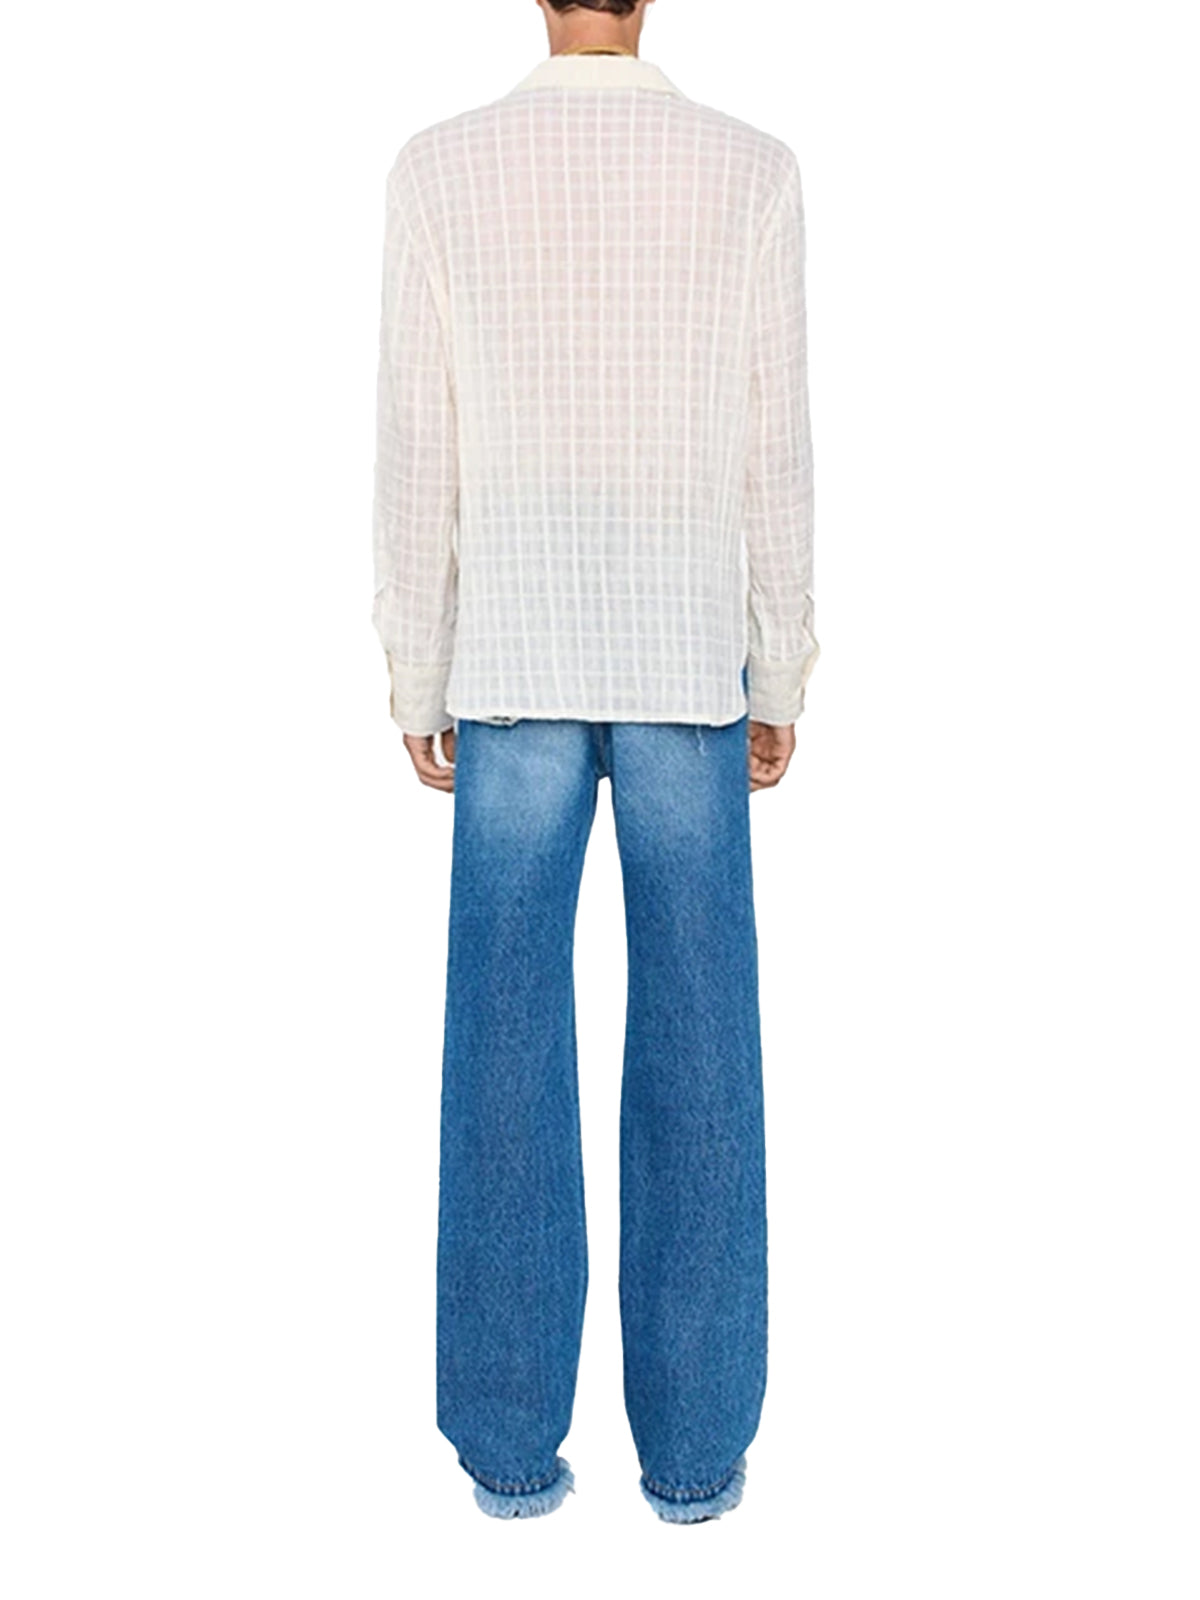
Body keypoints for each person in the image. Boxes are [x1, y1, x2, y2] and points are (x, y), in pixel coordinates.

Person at [371, 0, 819, 1522]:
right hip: (688, 652)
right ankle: (695, 1457)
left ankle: (506, 1450)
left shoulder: (439, 169)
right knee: (703, 1049)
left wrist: (415, 661)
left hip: (512, 654)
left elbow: (416, 442)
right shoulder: (750, 170)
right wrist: (783, 659)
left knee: (501, 1048)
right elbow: (774, 448)